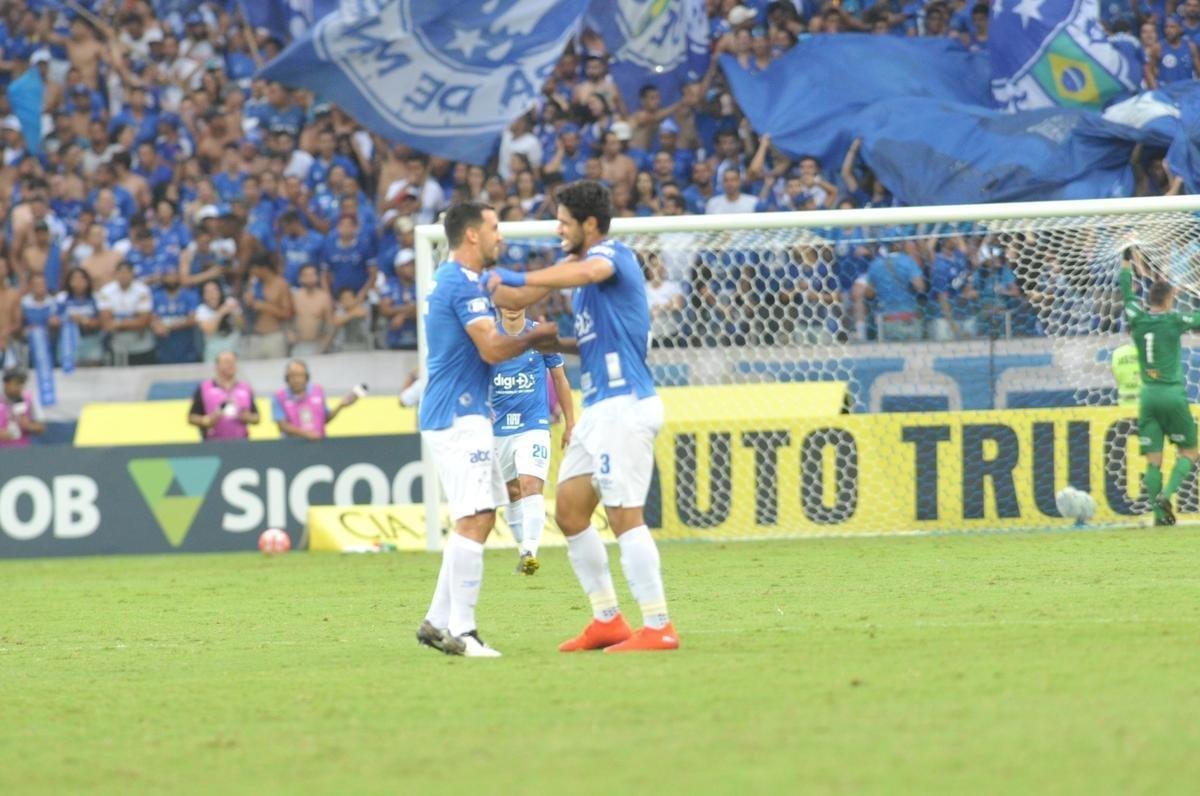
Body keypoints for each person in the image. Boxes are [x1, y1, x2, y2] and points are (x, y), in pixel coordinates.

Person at [488, 180, 679, 653]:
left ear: (590, 225)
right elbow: (593, 339)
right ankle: (607, 619)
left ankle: (658, 625)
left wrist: (512, 278)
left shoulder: (611, 258)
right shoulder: (585, 274)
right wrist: (551, 344)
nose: (557, 229)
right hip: (598, 410)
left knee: (623, 515)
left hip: (626, 405)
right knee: (571, 513)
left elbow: (585, 273)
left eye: (565, 222)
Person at [415, 201, 558, 659]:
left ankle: (438, 621)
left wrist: (567, 273)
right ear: (472, 235)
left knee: (478, 515)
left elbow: (514, 296)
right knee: (475, 517)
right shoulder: (460, 284)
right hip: (458, 416)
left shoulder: (471, 280)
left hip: (465, 412)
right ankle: (464, 630)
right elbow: (494, 349)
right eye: (495, 227)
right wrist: (535, 338)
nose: (502, 235)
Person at [1118, 247, 1200, 525]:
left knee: (1153, 460)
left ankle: (1158, 516)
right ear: (1167, 302)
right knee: (1189, 451)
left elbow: (1127, 296)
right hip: (1172, 395)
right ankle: (1167, 494)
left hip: (1148, 398)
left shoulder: (1137, 318)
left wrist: (1125, 262)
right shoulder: (1174, 320)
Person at [491, 306, 575, 575]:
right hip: (498, 428)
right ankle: (522, 552)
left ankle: (530, 551)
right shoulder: (488, 337)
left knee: (530, 484)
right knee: (512, 492)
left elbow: (560, 379)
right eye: (507, 303)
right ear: (499, 306)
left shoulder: (540, 337)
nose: (513, 308)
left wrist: (570, 422)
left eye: (518, 303)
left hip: (534, 424)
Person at [272, 359, 360, 440]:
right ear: (287, 378)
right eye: (293, 376)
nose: (296, 380)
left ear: (306, 377)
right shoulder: (279, 396)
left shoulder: (318, 391)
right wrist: (306, 434)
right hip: (292, 446)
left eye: (300, 375)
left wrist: (341, 405)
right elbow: (282, 426)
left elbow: (324, 419)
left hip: (319, 444)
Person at [187, 350, 261, 441]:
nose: (231, 365)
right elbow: (191, 417)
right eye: (227, 362)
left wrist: (245, 417)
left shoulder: (245, 388)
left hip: (242, 442)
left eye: (233, 362)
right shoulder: (205, 388)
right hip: (213, 442)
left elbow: (256, 417)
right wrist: (207, 420)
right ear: (216, 366)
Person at [98, 261, 156, 365]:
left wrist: (118, 323)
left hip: (141, 342)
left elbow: (143, 321)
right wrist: (133, 320)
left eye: (126, 272)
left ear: (132, 273)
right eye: (120, 272)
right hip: (117, 343)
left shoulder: (143, 290)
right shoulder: (106, 291)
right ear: (115, 274)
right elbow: (107, 324)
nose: (123, 276)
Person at [0, 368, 46, 447]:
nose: (20, 387)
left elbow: (41, 428)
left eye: (22, 383)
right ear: (6, 384)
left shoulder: (29, 399)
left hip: (23, 452)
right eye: (17, 383)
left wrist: (29, 426)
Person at [1111, 341, 1140, 408]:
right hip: (1149, 407)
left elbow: (1115, 375)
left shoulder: (1117, 352)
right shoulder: (1154, 352)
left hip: (1125, 406)